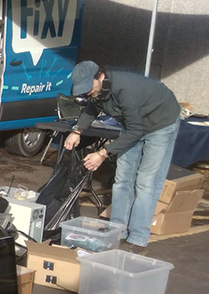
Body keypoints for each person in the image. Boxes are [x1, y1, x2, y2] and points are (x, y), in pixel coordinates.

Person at [63, 61, 181, 251]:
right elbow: (92, 108)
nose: (87, 93)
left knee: (146, 182)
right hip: (133, 125)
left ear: (99, 76)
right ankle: (118, 230)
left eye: (88, 88)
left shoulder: (125, 90)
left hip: (160, 123)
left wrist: (102, 153)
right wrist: (77, 131)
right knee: (122, 179)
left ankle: (138, 237)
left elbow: (136, 130)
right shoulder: (97, 91)